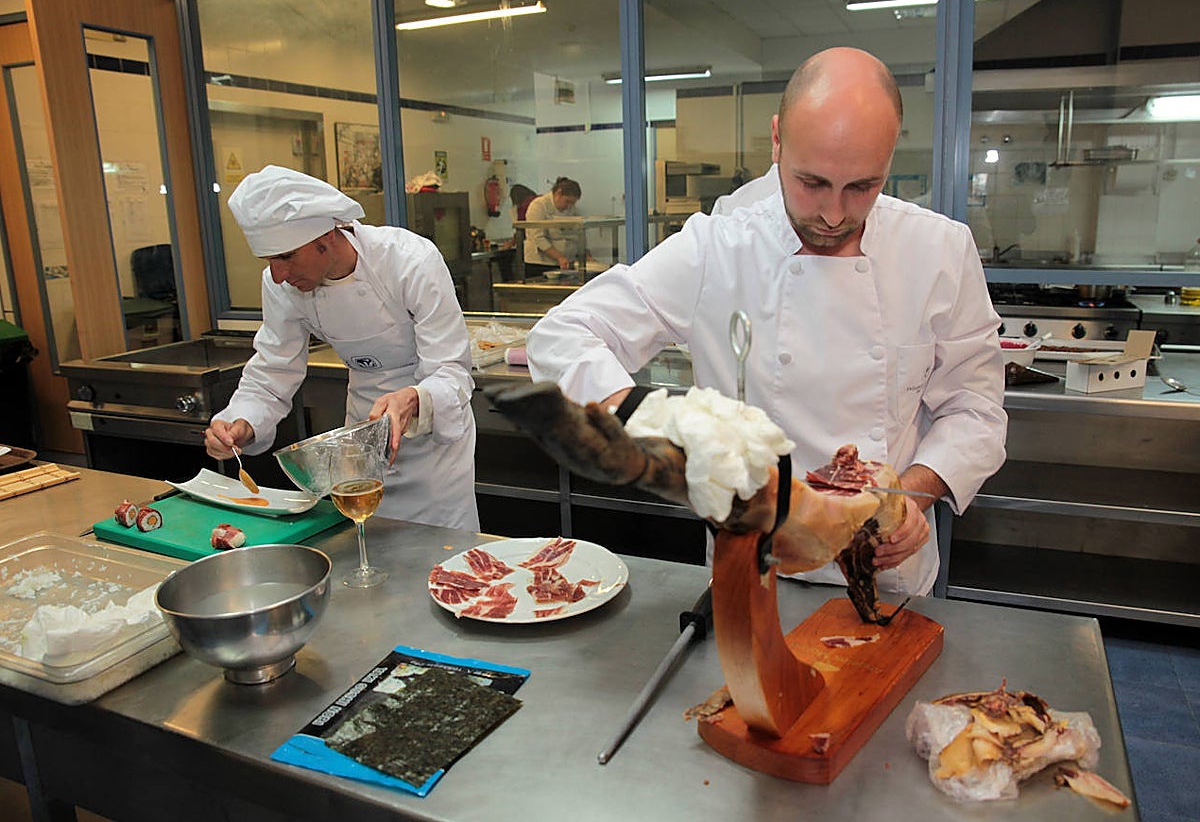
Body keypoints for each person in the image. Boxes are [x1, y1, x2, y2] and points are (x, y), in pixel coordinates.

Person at [526, 47, 1007, 596]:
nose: (833, 214)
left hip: (887, 574)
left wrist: (911, 498)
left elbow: (975, 409)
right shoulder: (718, 246)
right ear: (777, 140)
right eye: (812, 182)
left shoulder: (939, 250)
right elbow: (562, 334)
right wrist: (646, 419)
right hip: (752, 566)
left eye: (862, 187)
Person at [204, 165, 480, 532]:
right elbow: (273, 369)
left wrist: (413, 399)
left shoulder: (408, 260)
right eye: (269, 261)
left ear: (327, 236)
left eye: (287, 256)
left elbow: (452, 371)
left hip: (434, 452)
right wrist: (243, 421)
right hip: (360, 444)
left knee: (442, 555)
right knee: (369, 548)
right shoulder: (282, 285)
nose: (279, 274)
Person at [522, 177, 595, 271]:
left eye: (572, 203)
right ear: (558, 193)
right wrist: (559, 257)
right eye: (567, 201)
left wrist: (587, 255)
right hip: (540, 263)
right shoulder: (538, 206)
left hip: (566, 262)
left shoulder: (572, 210)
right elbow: (538, 238)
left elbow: (579, 235)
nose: (569, 206)